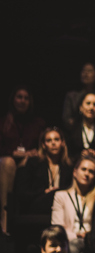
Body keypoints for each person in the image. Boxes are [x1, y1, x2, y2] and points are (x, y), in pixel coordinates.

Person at [0, 86, 46, 235]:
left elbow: (44, 145)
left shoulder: (38, 123)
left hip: (28, 162)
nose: (22, 101)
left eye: (26, 98)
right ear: (13, 99)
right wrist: (14, 153)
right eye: (19, 97)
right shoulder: (4, 122)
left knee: (29, 164)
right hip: (7, 160)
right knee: (8, 163)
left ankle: (23, 214)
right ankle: (5, 217)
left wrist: (35, 152)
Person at [51, 156, 95, 253]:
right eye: (84, 169)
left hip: (90, 242)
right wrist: (77, 235)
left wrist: (88, 236)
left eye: (91, 172)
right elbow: (57, 227)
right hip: (69, 240)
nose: (86, 174)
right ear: (75, 172)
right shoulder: (61, 196)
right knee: (73, 246)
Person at [14, 127, 74, 216]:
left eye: (56, 139)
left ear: (62, 143)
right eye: (49, 140)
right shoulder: (33, 164)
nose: (53, 143)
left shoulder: (68, 167)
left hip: (63, 207)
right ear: (43, 145)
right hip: (37, 206)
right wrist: (45, 192)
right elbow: (22, 192)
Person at [61, 63, 95, 131]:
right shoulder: (72, 96)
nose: (86, 73)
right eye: (83, 71)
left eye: (89, 71)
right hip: (76, 132)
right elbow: (67, 120)